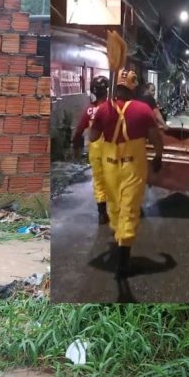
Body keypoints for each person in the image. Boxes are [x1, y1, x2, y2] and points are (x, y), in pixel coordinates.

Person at [89, 69, 164, 278]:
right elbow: (156, 139)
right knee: (130, 210)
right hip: (133, 166)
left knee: (115, 208)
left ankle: (119, 240)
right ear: (134, 87)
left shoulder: (104, 109)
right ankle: (123, 260)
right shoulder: (143, 109)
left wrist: (104, 121)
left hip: (110, 166)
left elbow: (93, 137)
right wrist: (158, 157)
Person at [70, 75, 110, 224]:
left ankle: (102, 214)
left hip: (95, 150)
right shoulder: (112, 108)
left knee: (99, 181)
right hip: (112, 149)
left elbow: (79, 130)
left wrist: (75, 145)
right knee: (114, 179)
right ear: (107, 91)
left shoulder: (89, 110)